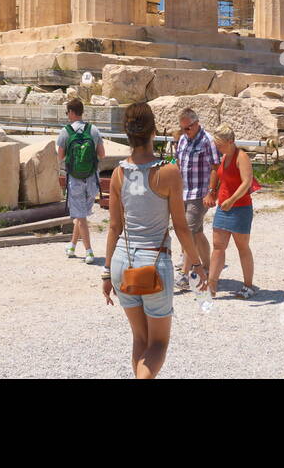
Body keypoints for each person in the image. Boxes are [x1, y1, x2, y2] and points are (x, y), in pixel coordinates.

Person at [103, 102, 205, 380]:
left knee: (140, 340)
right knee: (158, 343)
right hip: (154, 261)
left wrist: (105, 273)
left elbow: (114, 227)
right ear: (154, 131)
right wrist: (197, 265)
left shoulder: (118, 174)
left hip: (122, 262)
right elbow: (182, 227)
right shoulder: (168, 172)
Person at [206, 125, 258, 300]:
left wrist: (232, 199)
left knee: (242, 247)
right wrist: (213, 192)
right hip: (224, 205)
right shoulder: (225, 156)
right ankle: (211, 284)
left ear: (230, 141)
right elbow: (221, 176)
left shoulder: (241, 157)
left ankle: (248, 285)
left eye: (220, 144)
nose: (217, 148)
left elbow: (247, 182)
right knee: (218, 246)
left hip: (240, 207)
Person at [173, 108, 220, 291]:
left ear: (196, 123)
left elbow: (215, 167)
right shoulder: (183, 139)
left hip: (199, 194)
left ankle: (184, 275)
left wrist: (211, 192)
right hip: (184, 192)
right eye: (183, 128)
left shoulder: (207, 140)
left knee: (187, 231)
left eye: (188, 128)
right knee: (197, 232)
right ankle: (207, 268)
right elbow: (178, 162)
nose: (186, 131)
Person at [57, 98, 103, 260]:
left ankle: (89, 251)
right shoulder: (94, 130)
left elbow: (60, 156)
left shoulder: (65, 131)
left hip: (75, 179)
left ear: (70, 112)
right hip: (92, 179)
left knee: (80, 216)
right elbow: (102, 154)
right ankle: (72, 246)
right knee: (81, 214)